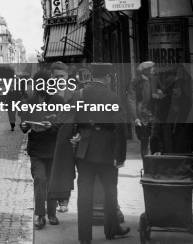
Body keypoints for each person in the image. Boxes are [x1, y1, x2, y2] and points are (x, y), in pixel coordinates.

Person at [73, 65, 129, 244]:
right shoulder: (112, 96)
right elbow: (120, 128)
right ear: (107, 77)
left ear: (91, 76)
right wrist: (120, 156)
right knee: (110, 191)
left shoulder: (80, 94)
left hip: (84, 150)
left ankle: (84, 238)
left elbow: (72, 120)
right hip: (107, 151)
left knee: (84, 195)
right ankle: (111, 230)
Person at [19, 71, 62, 230]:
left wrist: (53, 126)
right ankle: (40, 215)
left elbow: (64, 123)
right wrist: (24, 126)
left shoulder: (58, 100)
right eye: (37, 84)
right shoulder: (29, 101)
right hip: (36, 148)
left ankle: (51, 213)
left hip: (52, 147)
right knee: (40, 179)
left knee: (51, 181)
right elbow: (24, 124)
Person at [127, 61, 163, 158]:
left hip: (155, 114)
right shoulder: (135, 82)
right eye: (151, 68)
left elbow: (161, 91)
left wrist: (160, 94)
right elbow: (131, 99)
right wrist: (135, 118)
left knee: (156, 140)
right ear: (146, 71)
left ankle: (156, 165)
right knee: (144, 141)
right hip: (142, 115)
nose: (153, 70)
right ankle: (147, 165)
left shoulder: (155, 79)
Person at [49, 61, 71, 213]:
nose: (59, 79)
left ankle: (64, 200)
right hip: (50, 137)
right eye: (56, 76)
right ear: (52, 77)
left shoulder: (74, 94)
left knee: (66, 171)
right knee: (51, 169)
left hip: (67, 138)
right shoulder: (47, 95)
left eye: (62, 76)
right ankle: (52, 200)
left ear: (67, 76)